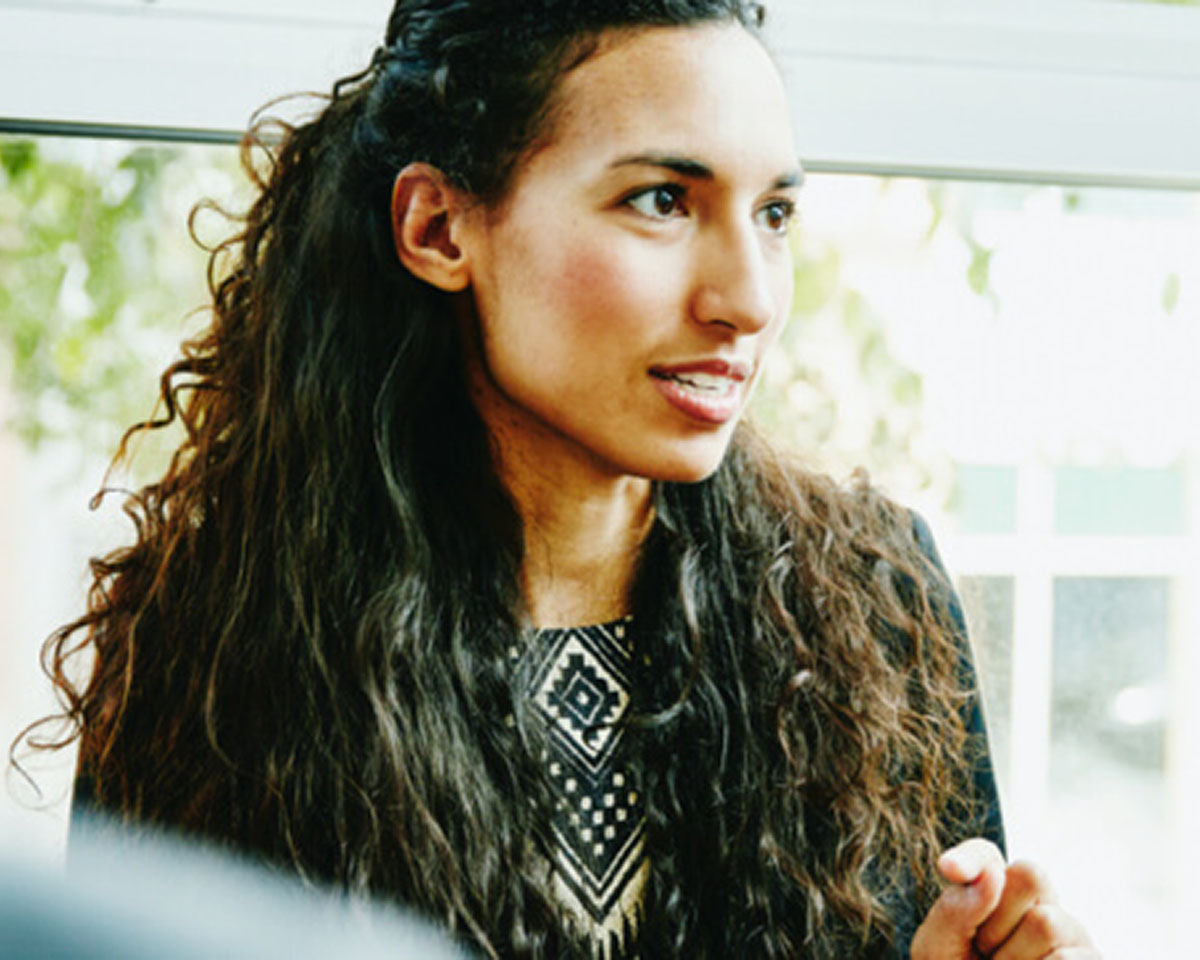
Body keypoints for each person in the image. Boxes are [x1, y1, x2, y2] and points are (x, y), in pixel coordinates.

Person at [24, 1, 1098, 957]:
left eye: (774, 212)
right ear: (438, 228)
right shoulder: (218, 644)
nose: (750, 298)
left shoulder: (877, 595)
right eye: (662, 201)